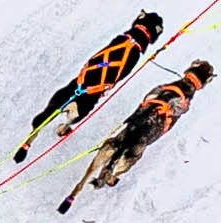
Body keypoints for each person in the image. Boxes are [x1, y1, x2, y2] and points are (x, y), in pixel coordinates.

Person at [59, 62, 213, 211]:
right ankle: (111, 175)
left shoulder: (166, 87)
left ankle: (76, 190)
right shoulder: (185, 102)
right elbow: (176, 112)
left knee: (113, 145)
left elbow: (150, 96)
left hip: (130, 127)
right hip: (141, 140)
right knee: (132, 154)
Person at [20, 11, 164, 159]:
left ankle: (27, 143)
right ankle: (66, 125)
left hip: (77, 84)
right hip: (90, 96)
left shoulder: (120, 40)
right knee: (82, 107)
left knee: (49, 112)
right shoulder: (134, 55)